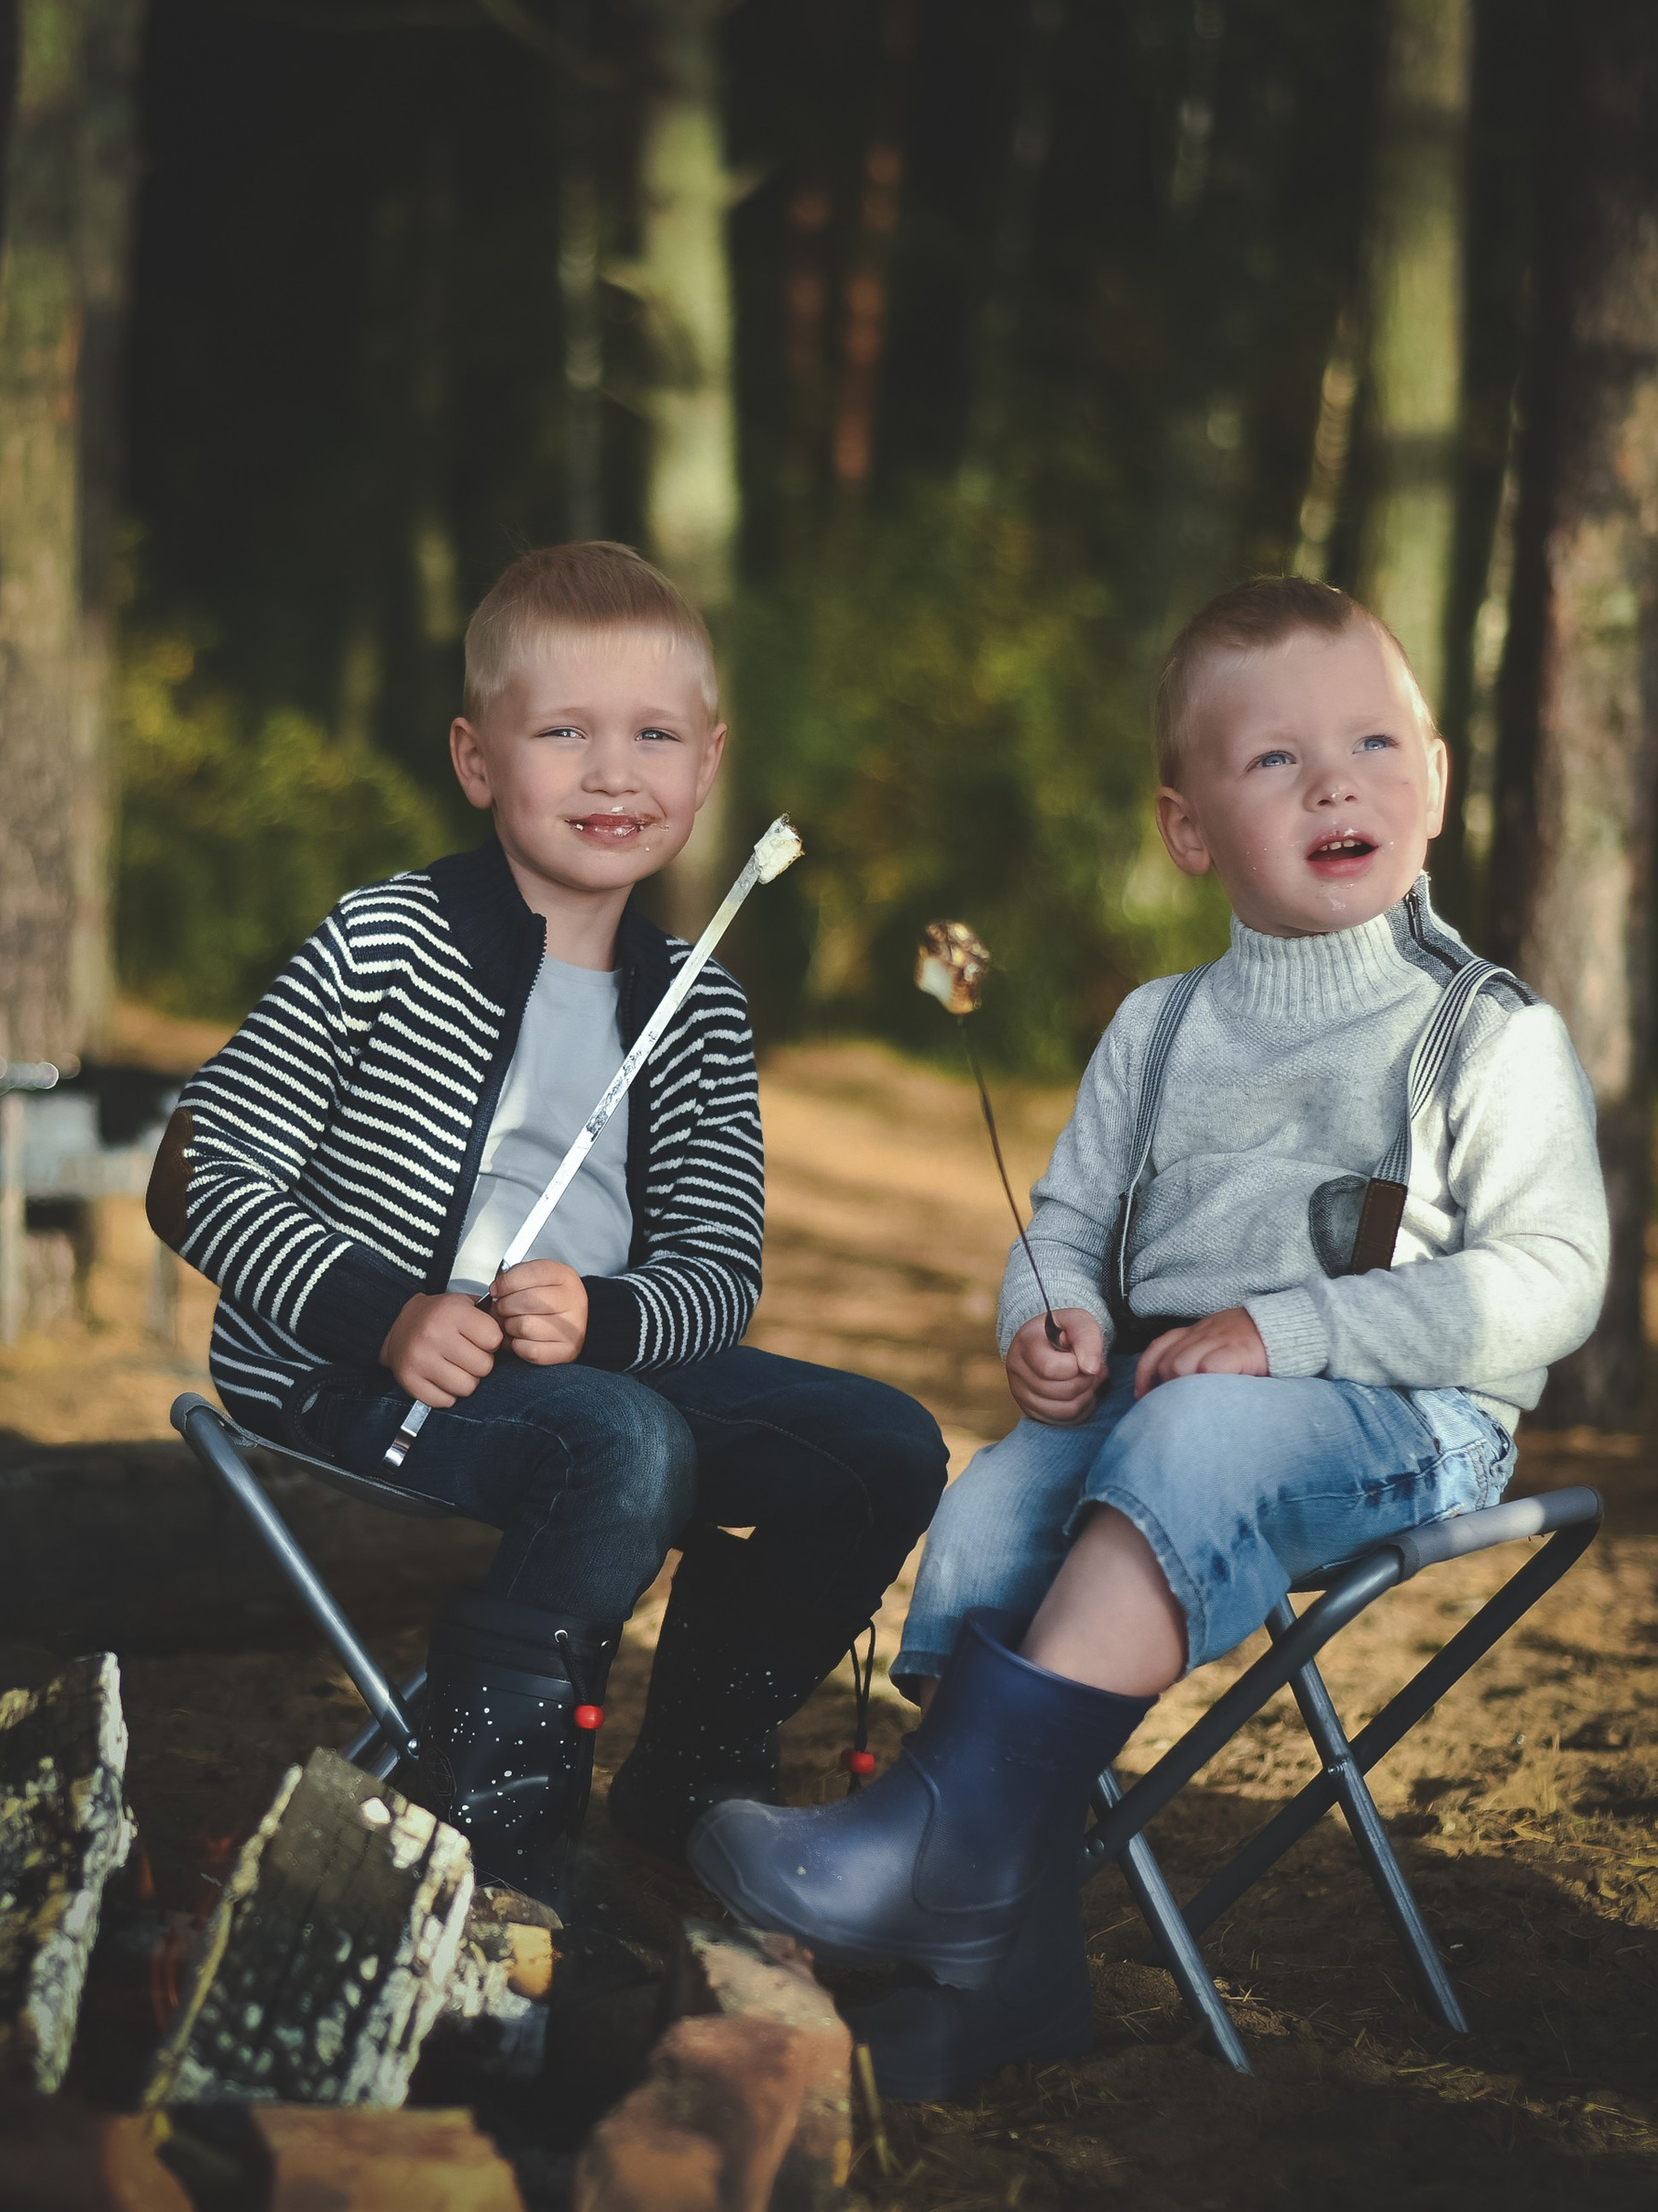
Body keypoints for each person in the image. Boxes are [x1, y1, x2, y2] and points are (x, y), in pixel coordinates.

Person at [690, 576, 1610, 2094]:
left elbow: (1552, 1277)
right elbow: (1063, 1225)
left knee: (1184, 1430)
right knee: (993, 1503)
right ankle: (1009, 1965)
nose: (1335, 781)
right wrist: (1048, 1312)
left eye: (1377, 743)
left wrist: (1286, 1329)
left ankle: (946, 1846)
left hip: (1400, 1420)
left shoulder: (1486, 1035)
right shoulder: (1159, 1029)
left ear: (1436, 783)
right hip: (1157, 1410)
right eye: (1273, 760)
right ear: (1188, 829)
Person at [162, 541, 947, 1903]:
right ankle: (494, 1834)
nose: (611, 771)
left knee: (879, 1446)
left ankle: (688, 1778)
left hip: (586, 1361)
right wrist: (379, 1312)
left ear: (708, 768)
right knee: (622, 1442)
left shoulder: (696, 1007)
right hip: (356, 1374)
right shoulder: (388, 940)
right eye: (563, 732)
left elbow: (718, 1266)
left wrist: (611, 1313)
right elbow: (203, 1165)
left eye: (652, 735)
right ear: (478, 762)